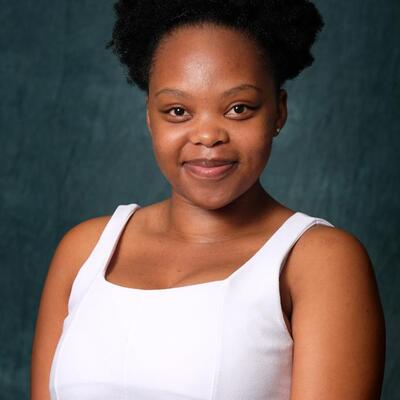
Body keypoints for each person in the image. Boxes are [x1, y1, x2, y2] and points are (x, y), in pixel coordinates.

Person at [30, 0, 386, 399]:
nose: (207, 136)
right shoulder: (85, 251)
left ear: (279, 112)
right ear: (149, 116)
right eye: (177, 110)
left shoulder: (318, 261)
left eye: (238, 108)